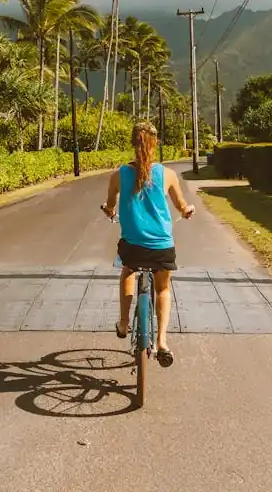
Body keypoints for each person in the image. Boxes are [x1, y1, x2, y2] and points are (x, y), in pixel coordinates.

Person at [101, 120, 195, 367]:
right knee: (162, 289)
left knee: (127, 271)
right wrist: (187, 211)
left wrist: (109, 211)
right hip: (162, 246)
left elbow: (110, 204)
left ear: (133, 143)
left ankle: (123, 323)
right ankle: (162, 341)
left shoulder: (119, 175)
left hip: (133, 246)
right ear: (156, 143)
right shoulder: (168, 174)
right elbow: (182, 206)